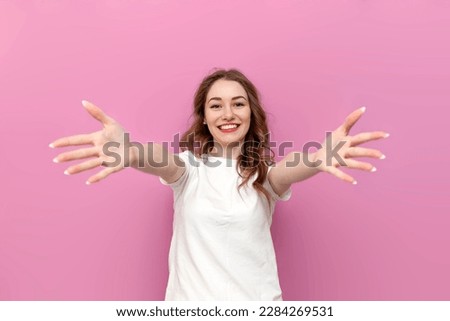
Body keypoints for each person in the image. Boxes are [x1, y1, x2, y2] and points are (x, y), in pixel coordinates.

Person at [49, 68, 388, 300]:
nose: (228, 113)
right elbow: (161, 160)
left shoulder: (263, 175)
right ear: (205, 117)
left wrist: (317, 158)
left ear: (250, 113)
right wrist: (130, 152)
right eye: (216, 105)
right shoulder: (188, 170)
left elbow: (286, 170)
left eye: (238, 104)